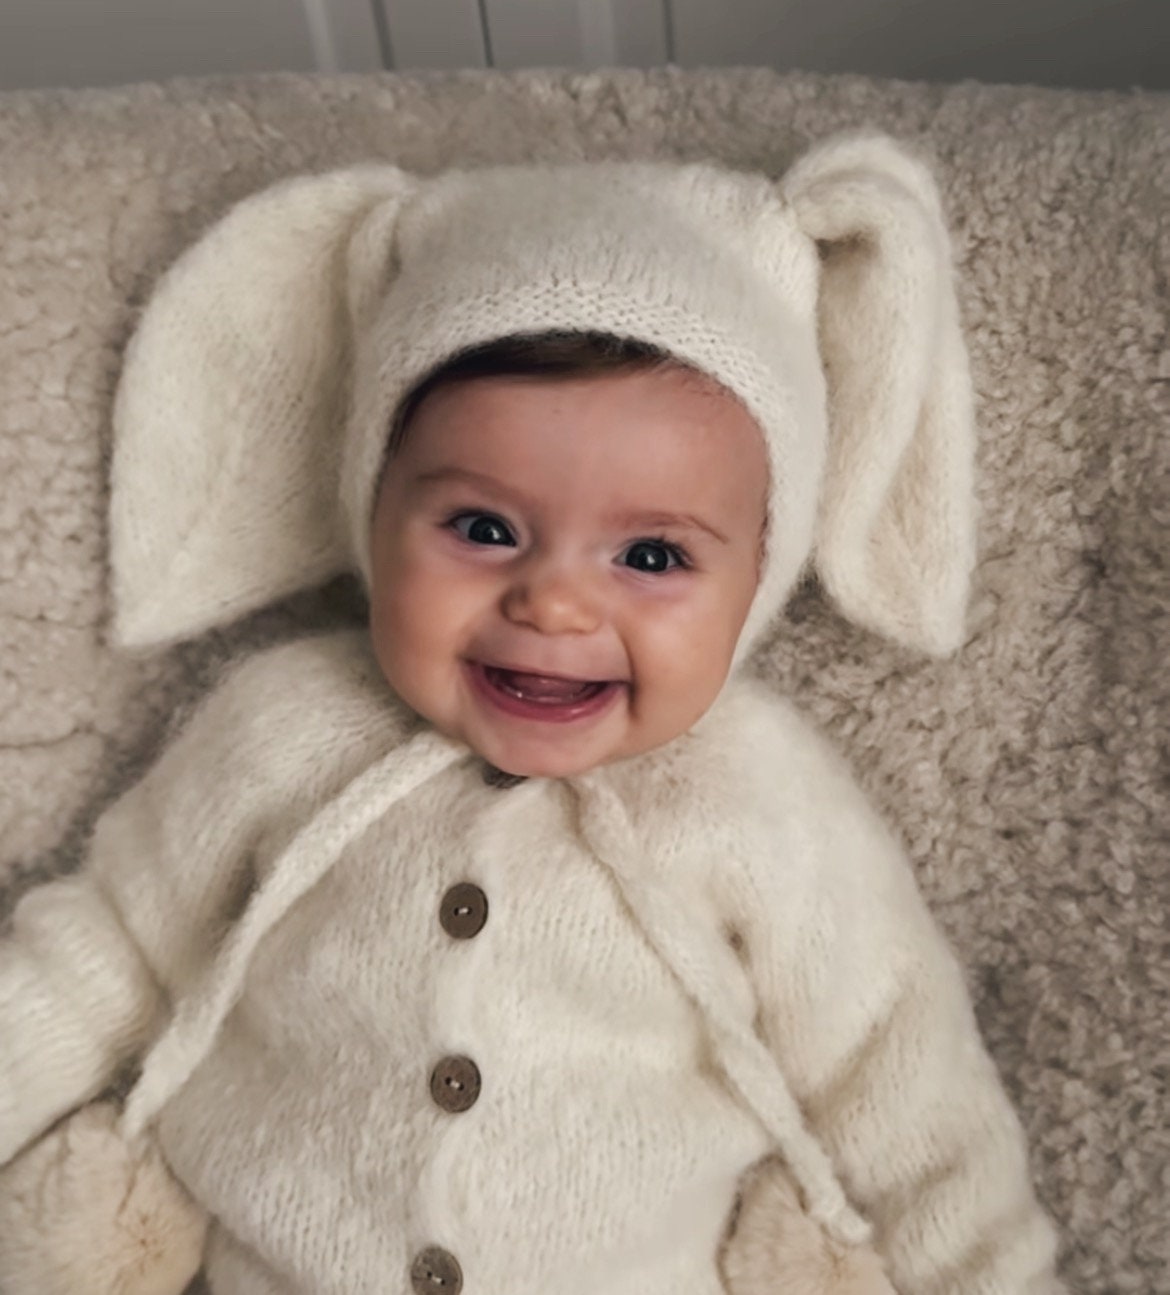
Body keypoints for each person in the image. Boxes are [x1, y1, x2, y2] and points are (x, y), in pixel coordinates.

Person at [0, 134, 1065, 1294]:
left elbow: (903, 1082)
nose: (553, 602)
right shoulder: (280, 727)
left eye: (651, 554)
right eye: (482, 528)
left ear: (758, 578)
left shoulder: (762, 796)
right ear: (371, 514)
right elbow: (101, 952)